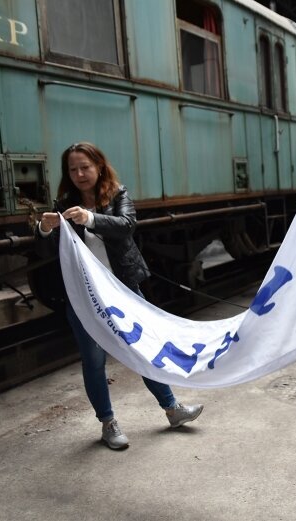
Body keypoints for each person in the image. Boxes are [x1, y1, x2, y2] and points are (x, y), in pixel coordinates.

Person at [36, 142, 203, 450]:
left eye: (85, 167)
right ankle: (108, 423)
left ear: (99, 166)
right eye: (73, 169)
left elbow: (126, 226)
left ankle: (172, 409)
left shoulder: (116, 194)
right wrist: (45, 229)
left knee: (142, 350)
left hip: (123, 289)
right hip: (85, 295)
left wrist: (90, 219)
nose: (79, 174)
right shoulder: (63, 204)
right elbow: (48, 250)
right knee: (94, 360)